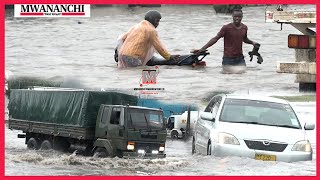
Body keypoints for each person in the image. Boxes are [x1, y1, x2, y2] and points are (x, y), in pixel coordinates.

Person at [192, 9, 260, 73]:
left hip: (240, 58)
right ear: (232, 16)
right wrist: (202, 49)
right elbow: (215, 38)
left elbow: (245, 39)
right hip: (228, 58)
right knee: (228, 78)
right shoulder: (226, 27)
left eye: (239, 16)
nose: (237, 18)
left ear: (242, 17)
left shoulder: (244, 27)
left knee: (242, 76)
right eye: (235, 16)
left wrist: (252, 43)